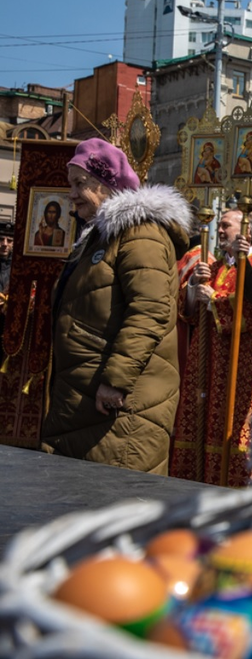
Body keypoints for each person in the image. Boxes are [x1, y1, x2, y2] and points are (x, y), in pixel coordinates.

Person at [40, 138, 192, 472]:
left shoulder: (142, 233)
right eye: (71, 185)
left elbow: (151, 310)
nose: (72, 195)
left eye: (80, 184)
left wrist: (116, 380)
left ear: (107, 184)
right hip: (88, 398)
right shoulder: (101, 236)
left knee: (114, 503)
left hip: (121, 406)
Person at [170, 208, 252, 486]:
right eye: (220, 226)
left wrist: (214, 299)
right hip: (206, 359)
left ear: (246, 231)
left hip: (240, 361)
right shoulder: (210, 267)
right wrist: (192, 289)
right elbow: (188, 315)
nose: (221, 231)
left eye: (226, 225)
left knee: (233, 425)